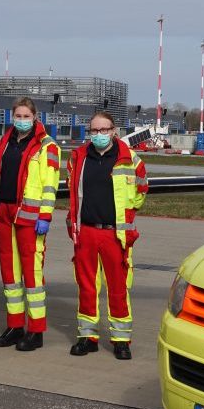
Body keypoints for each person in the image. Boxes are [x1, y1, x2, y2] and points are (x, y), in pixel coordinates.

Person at [66, 111, 147, 360]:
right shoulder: (77, 158)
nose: (99, 135)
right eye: (94, 131)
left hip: (114, 234)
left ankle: (121, 340)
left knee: (118, 288)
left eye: (104, 130)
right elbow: (72, 192)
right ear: (89, 133)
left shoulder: (130, 159)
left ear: (114, 130)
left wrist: (125, 215)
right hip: (87, 232)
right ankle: (87, 337)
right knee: (87, 287)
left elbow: (141, 190)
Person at [0, 97, 61, 351]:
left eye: (26, 116)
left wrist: (45, 215)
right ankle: (15, 326)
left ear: (35, 117)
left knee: (32, 275)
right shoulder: (5, 142)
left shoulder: (47, 146)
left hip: (30, 217)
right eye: (17, 116)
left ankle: (36, 331)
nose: (21, 120)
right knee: (10, 275)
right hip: (5, 214)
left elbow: (50, 185)